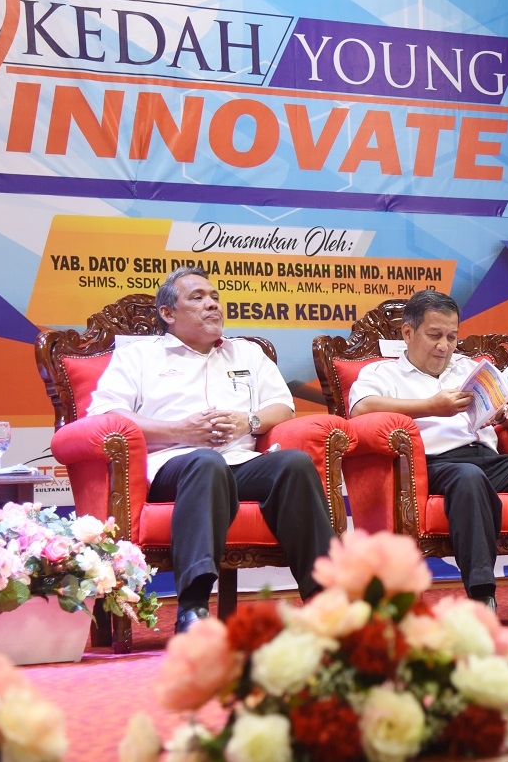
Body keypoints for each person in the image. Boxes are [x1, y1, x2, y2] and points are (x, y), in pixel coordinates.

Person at [87, 266, 334, 633]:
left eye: (215, 297)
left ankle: (326, 603)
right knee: (206, 463)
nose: (212, 304)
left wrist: (248, 421)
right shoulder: (138, 357)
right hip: (173, 466)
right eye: (198, 298)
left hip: (241, 462)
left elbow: (283, 406)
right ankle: (193, 608)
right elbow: (106, 415)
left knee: (294, 464)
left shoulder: (247, 353)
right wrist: (180, 431)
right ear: (168, 313)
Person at [347, 290, 508, 612]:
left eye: (451, 336)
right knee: (469, 477)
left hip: (488, 458)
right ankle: (482, 595)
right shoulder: (381, 373)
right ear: (408, 332)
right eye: (434, 335)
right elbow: (361, 410)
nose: (444, 346)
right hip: (433, 464)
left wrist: (500, 412)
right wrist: (431, 407)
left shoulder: (470, 368)